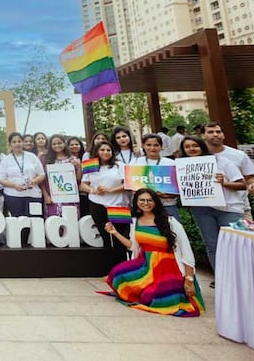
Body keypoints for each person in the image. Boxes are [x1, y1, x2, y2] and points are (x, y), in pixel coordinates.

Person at [102, 189, 204, 317]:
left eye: (149, 200)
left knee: (157, 300)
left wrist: (189, 279)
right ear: (136, 202)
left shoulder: (170, 221)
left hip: (167, 267)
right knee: (117, 274)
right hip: (145, 264)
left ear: (155, 202)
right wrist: (114, 233)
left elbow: (186, 252)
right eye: (142, 200)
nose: (146, 203)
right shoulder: (135, 221)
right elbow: (133, 246)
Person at [179, 135, 245, 275]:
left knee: (235, 246)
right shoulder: (181, 166)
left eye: (195, 145)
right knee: (212, 246)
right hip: (202, 210)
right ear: (183, 150)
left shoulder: (221, 161)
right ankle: (221, 280)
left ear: (202, 147)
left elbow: (242, 184)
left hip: (229, 209)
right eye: (187, 147)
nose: (192, 149)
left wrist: (224, 183)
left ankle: (239, 279)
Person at [80, 141, 127, 272]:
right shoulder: (91, 165)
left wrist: (111, 190)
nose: (105, 152)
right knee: (106, 238)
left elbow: (127, 184)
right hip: (97, 204)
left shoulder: (119, 165)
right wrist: (93, 190)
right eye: (102, 150)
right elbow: (83, 184)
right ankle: (109, 271)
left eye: (108, 150)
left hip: (118, 204)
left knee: (120, 238)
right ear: (97, 151)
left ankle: (122, 271)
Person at [0, 132, 45, 221]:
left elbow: (42, 174)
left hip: (33, 194)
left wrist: (33, 182)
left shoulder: (32, 157)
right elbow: (1, 178)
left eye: (19, 141)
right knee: (19, 223)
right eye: (14, 142)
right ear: (10, 144)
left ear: (22, 143)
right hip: (13, 195)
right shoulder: (6, 160)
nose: (17, 144)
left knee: (35, 222)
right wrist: (14, 185)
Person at [131, 134, 178, 219]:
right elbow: (132, 187)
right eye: (148, 145)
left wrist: (166, 195)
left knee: (173, 230)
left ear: (161, 147)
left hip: (167, 205)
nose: (152, 148)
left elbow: (177, 188)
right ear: (143, 146)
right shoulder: (136, 162)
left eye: (156, 145)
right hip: (144, 207)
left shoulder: (171, 163)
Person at [40, 134, 81, 218]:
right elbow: (42, 180)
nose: (57, 145)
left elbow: (78, 179)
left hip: (70, 198)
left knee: (71, 222)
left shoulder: (72, 159)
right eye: (54, 144)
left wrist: (79, 167)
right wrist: (46, 196)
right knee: (54, 223)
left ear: (64, 143)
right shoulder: (45, 159)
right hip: (52, 198)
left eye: (59, 143)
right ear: (50, 146)